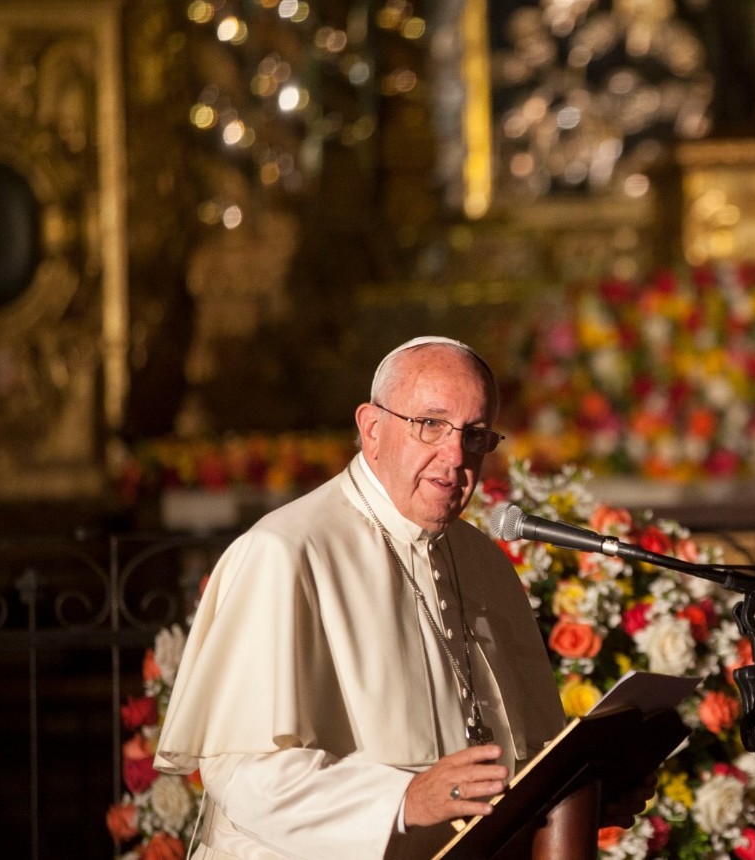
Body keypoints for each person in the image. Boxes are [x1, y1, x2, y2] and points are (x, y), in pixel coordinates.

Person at [155, 336, 573, 858]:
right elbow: (241, 772)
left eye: (475, 435)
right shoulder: (285, 552)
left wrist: (577, 786)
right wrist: (401, 799)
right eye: (431, 425)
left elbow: (524, 749)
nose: (454, 456)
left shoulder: (482, 561)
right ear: (372, 429)